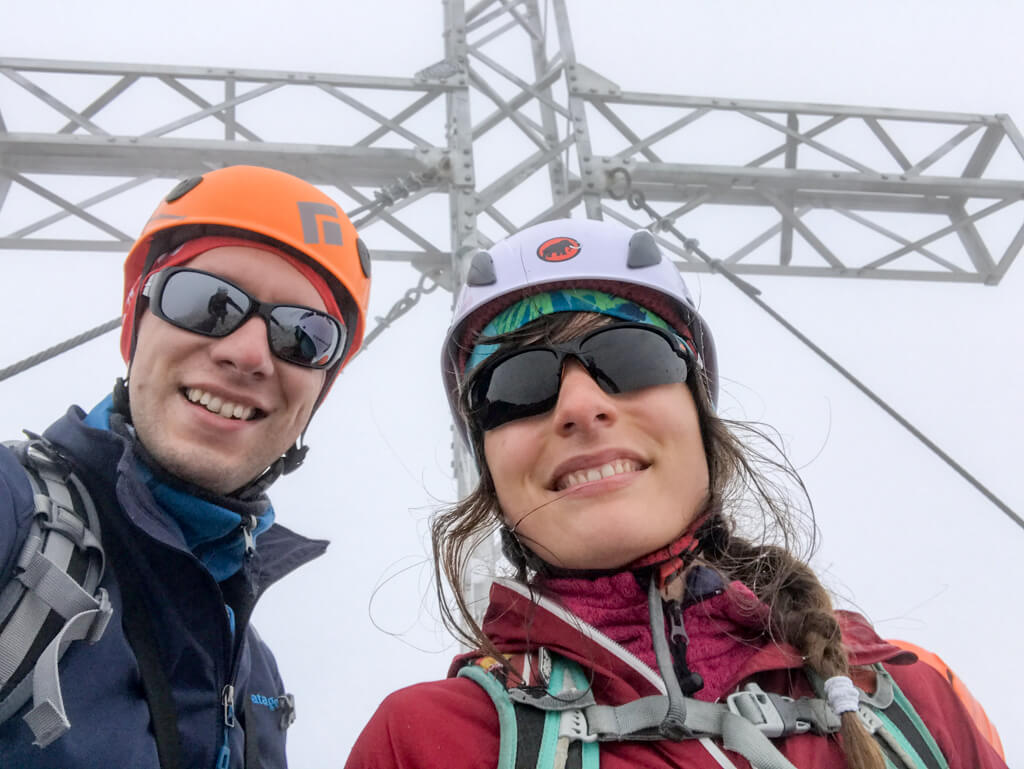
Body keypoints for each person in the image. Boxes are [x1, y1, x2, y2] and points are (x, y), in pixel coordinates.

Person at [345, 217, 1006, 769]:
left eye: (631, 356)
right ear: (487, 468)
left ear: (702, 417)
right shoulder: (424, 740)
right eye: (517, 384)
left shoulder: (909, 698)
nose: (580, 405)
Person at [0, 165, 371, 768]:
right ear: (134, 324)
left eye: (303, 335)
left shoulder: (255, 673)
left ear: (316, 396)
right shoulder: (13, 517)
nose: (248, 354)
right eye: (206, 302)